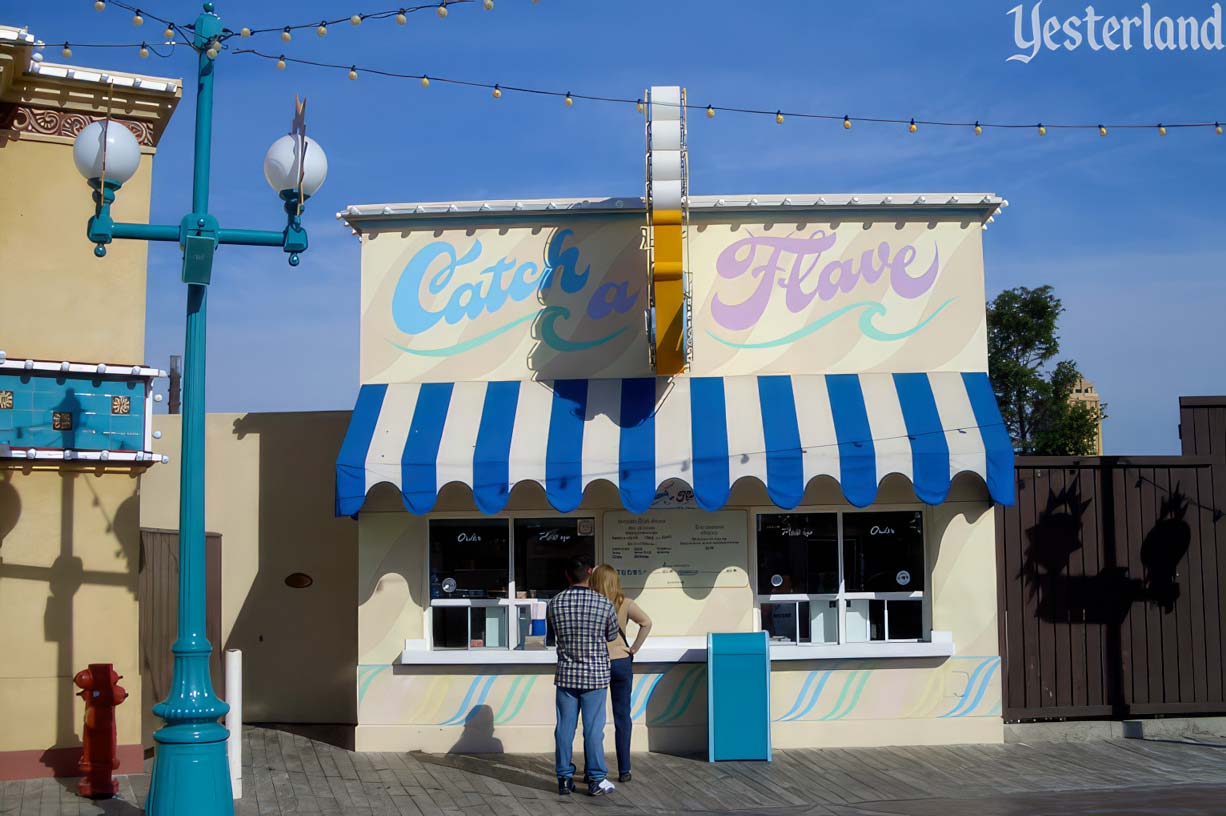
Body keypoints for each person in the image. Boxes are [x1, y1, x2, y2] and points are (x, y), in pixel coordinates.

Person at [547, 555, 619, 797]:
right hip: (595, 676)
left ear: (567, 575)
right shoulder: (604, 604)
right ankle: (596, 779)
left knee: (564, 729)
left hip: (567, 675)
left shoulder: (555, 603)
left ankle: (564, 778)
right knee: (593, 729)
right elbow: (612, 636)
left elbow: (552, 635)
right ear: (590, 573)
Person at [590, 564, 652, 783]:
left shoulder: (592, 604)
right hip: (622, 662)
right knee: (622, 716)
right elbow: (646, 622)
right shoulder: (625, 603)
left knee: (594, 717)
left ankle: (594, 768)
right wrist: (634, 648)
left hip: (597, 661)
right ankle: (624, 769)